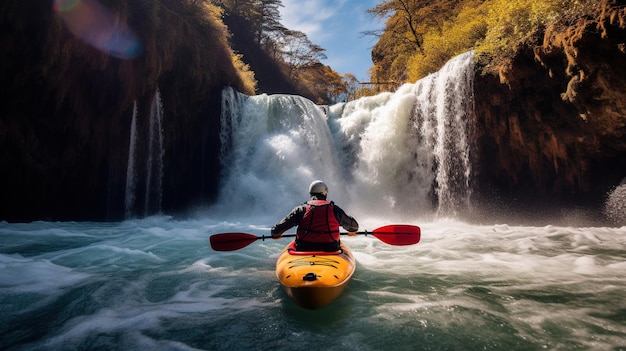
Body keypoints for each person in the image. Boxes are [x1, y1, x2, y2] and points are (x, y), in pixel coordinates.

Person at [271, 180, 359, 251]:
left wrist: (276, 234)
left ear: (311, 194)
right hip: (330, 248)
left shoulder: (301, 209)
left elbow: (275, 231)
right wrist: (351, 230)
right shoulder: (335, 210)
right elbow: (354, 227)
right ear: (325, 194)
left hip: (304, 248)